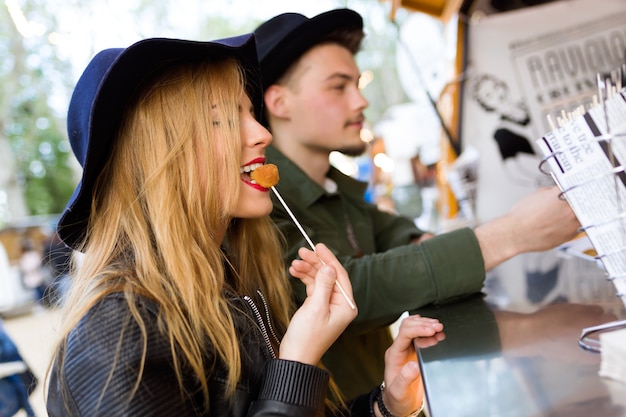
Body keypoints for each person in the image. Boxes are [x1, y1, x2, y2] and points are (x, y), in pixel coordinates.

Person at [45, 33, 444, 417]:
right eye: (221, 120)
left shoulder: (234, 285)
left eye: (249, 112)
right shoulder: (116, 332)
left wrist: (386, 405)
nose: (262, 133)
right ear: (160, 160)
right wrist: (298, 364)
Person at [253, 9, 581, 398]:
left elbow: (394, 232)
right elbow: (344, 289)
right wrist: (509, 235)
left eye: (357, 84)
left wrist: (419, 247)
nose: (360, 101)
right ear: (279, 102)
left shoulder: (337, 189)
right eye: (338, 87)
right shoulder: (260, 203)